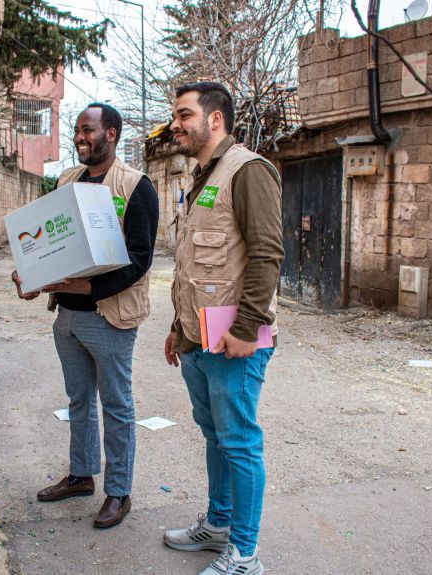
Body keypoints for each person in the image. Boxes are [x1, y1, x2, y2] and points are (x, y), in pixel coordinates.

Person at [12, 103, 158, 529]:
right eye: (77, 130)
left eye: (88, 130)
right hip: (68, 317)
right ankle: (81, 475)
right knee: (79, 401)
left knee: (116, 406)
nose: (80, 137)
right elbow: (53, 242)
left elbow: (140, 259)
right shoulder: (67, 181)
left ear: (111, 134)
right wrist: (32, 274)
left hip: (110, 316)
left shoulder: (136, 187)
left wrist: (91, 288)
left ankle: (119, 492)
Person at [162, 82, 284, 575]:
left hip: (235, 337)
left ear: (215, 119)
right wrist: (177, 328)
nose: (175, 123)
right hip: (198, 336)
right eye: (175, 115)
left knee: (238, 441)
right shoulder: (200, 176)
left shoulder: (249, 170)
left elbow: (267, 254)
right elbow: (194, 264)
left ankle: (246, 553)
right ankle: (218, 524)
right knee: (215, 436)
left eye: (184, 114)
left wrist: (248, 327)